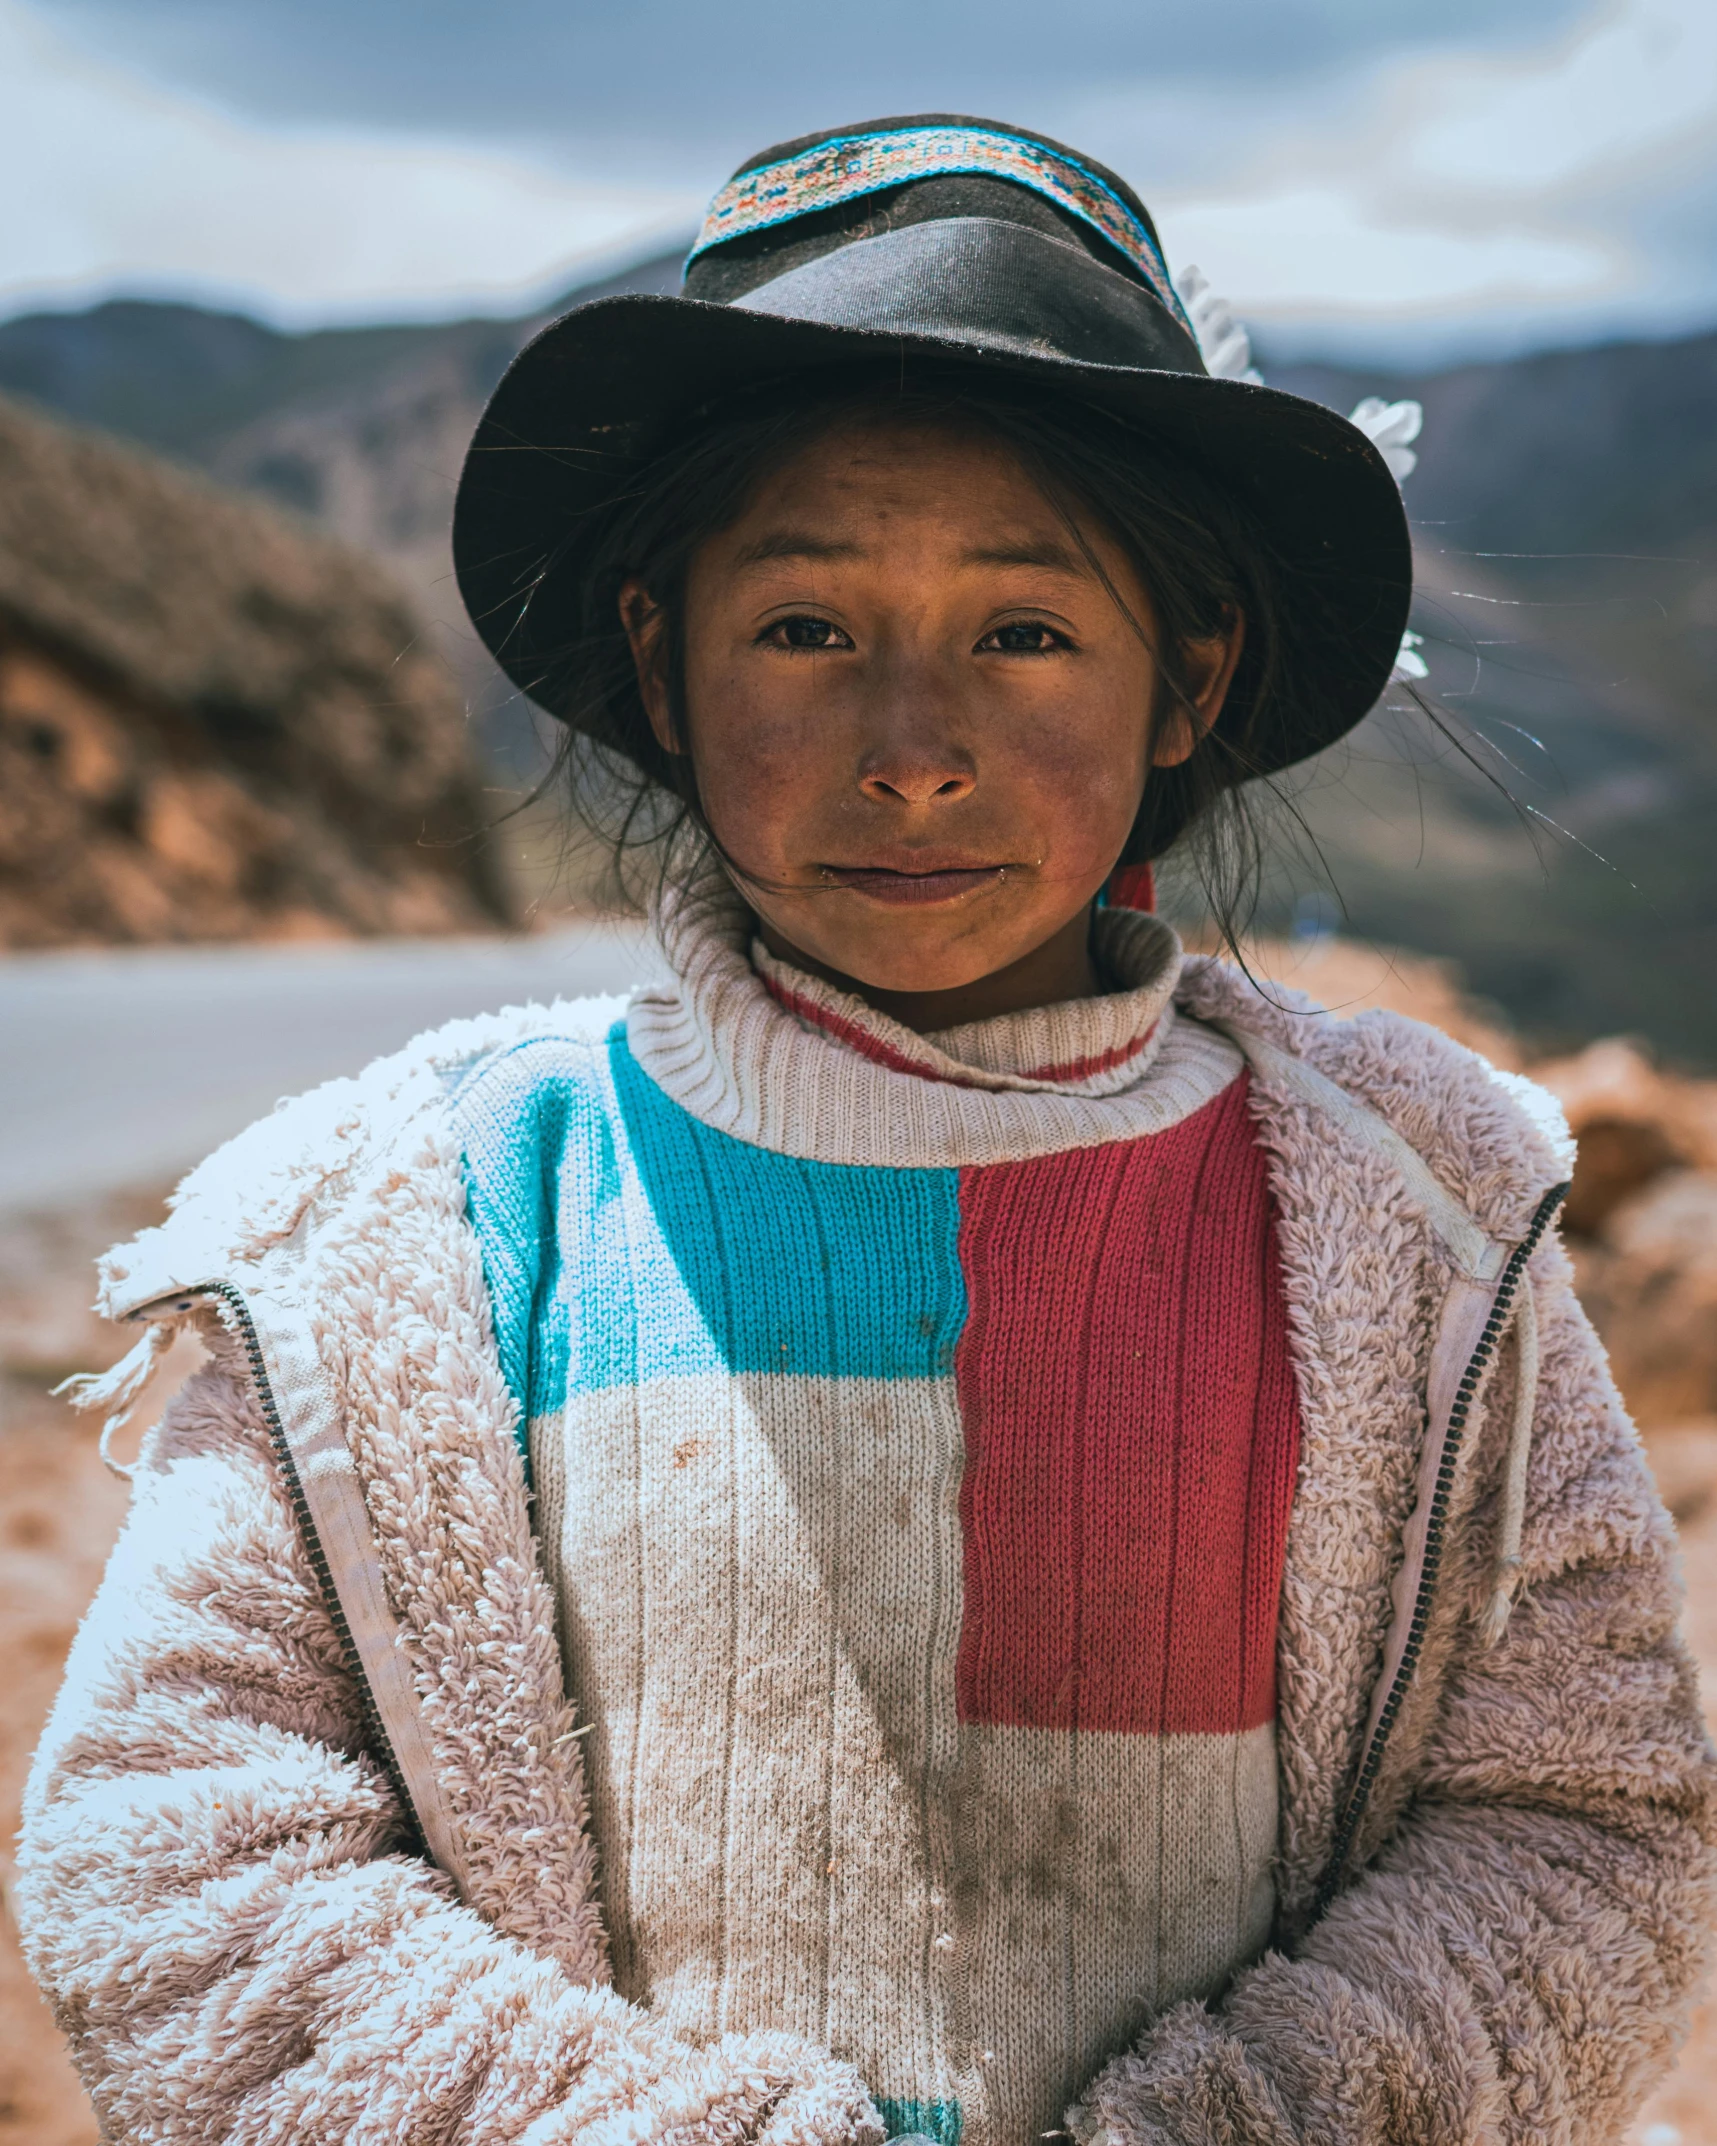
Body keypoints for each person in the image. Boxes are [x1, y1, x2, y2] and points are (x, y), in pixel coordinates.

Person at [18, 115, 1715, 2146]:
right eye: (808, 630)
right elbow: (177, 1845)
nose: (915, 751)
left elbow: (1580, 1816)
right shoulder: (406, 1225)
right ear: (663, 661)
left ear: (1192, 678)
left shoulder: (1422, 1233)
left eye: (1024, 632)